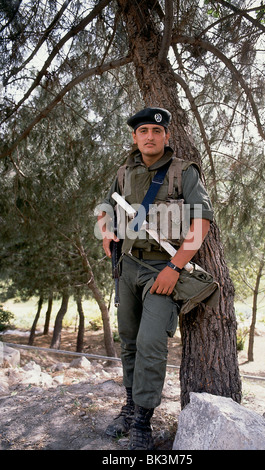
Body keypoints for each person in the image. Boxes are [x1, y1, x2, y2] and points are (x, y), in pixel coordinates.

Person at [96, 107, 213, 450]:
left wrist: (175, 267)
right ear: (135, 136)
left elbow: (201, 222)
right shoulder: (123, 173)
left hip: (165, 270)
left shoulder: (184, 173)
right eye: (143, 130)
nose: (150, 136)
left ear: (167, 136)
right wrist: (105, 231)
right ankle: (130, 407)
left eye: (156, 131)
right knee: (130, 341)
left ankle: (143, 422)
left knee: (151, 342)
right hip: (128, 267)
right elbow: (105, 206)